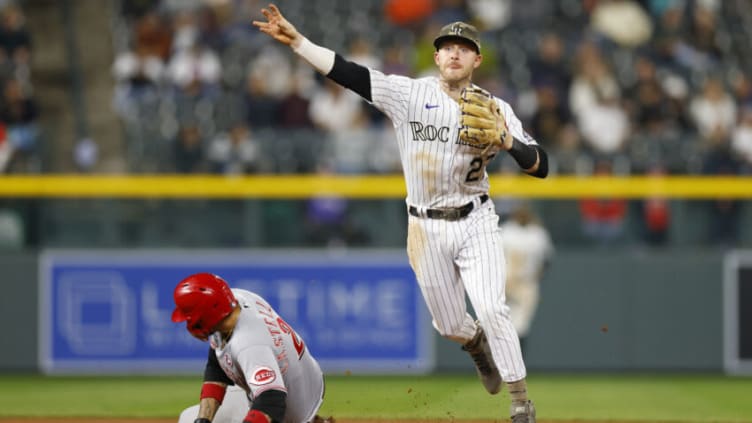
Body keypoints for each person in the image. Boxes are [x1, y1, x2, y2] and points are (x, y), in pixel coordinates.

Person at [253, 5, 549, 422]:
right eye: (447, 47)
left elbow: (541, 165)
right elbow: (348, 73)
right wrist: (299, 42)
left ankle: (520, 402)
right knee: (449, 325)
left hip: (476, 219)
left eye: (464, 49)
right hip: (424, 227)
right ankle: (476, 345)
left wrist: (508, 142)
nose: (454, 54)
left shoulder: (497, 108)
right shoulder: (409, 93)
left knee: (493, 307)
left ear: (477, 60)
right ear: (436, 56)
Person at [172, 272, 334, 423]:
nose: (189, 322)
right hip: (302, 378)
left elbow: (272, 401)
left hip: (291, 407)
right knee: (193, 417)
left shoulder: (249, 346)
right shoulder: (231, 302)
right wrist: (204, 420)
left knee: (186, 419)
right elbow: (217, 365)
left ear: (204, 317)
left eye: (190, 317)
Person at [499, 203, 554, 354]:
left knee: (521, 326)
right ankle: (500, 363)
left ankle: (516, 366)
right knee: (501, 324)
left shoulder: (538, 234)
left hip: (526, 283)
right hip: (505, 282)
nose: (522, 214)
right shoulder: (506, 230)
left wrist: (537, 276)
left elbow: (547, 261)